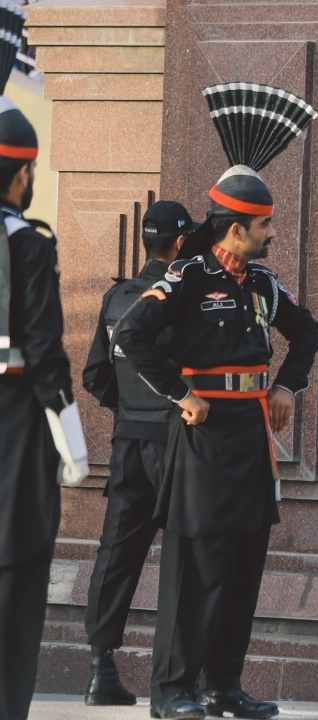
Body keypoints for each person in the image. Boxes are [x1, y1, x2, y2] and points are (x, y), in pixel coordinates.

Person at [114, 83, 318, 720]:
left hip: (250, 428)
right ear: (238, 226)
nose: (270, 235)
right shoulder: (190, 275)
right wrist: (180, 394)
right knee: (193, 561)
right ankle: (173, 691)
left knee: (243, 557)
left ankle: (222, 685)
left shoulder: (261, 279)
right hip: (201, 431)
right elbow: (130, 336)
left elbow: (307, 331)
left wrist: (287, 384)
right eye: (264, 226)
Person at [79, 201, 193, 707]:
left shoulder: (117, 296)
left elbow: (94, 376)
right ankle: (176, 680)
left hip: (128, 441)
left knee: (117, 555)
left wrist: (127, 409)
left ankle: (100, 667)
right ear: (182, 243)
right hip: (177, 440)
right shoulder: (180, 297)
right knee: (185, 554)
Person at [0, 84, 89, 718]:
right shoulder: (28, 243)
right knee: (17, 571)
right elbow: (43, 345)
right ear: (23, 172)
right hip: (14, 428)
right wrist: (69, 431)